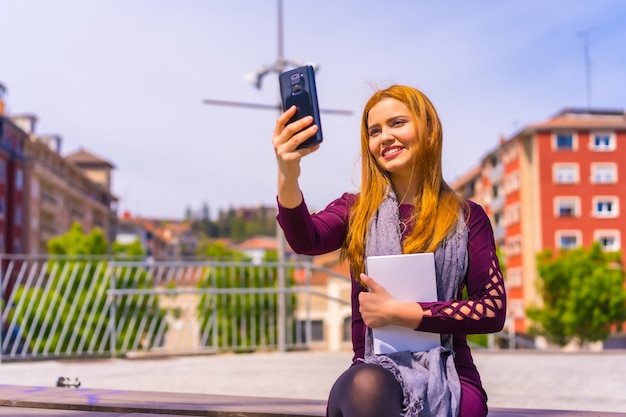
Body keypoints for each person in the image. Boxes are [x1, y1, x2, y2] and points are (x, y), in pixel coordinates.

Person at [272, 84, 506, 417]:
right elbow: (306, 239)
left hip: (450, 371)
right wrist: (288, 173)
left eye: (397, 123)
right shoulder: (356, 210)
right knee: (367, 387)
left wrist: (400, 313)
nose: (384, 137)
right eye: (374, 131)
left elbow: (492, 309)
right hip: (373, 371)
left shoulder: (468, 217)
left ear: (428, 131)